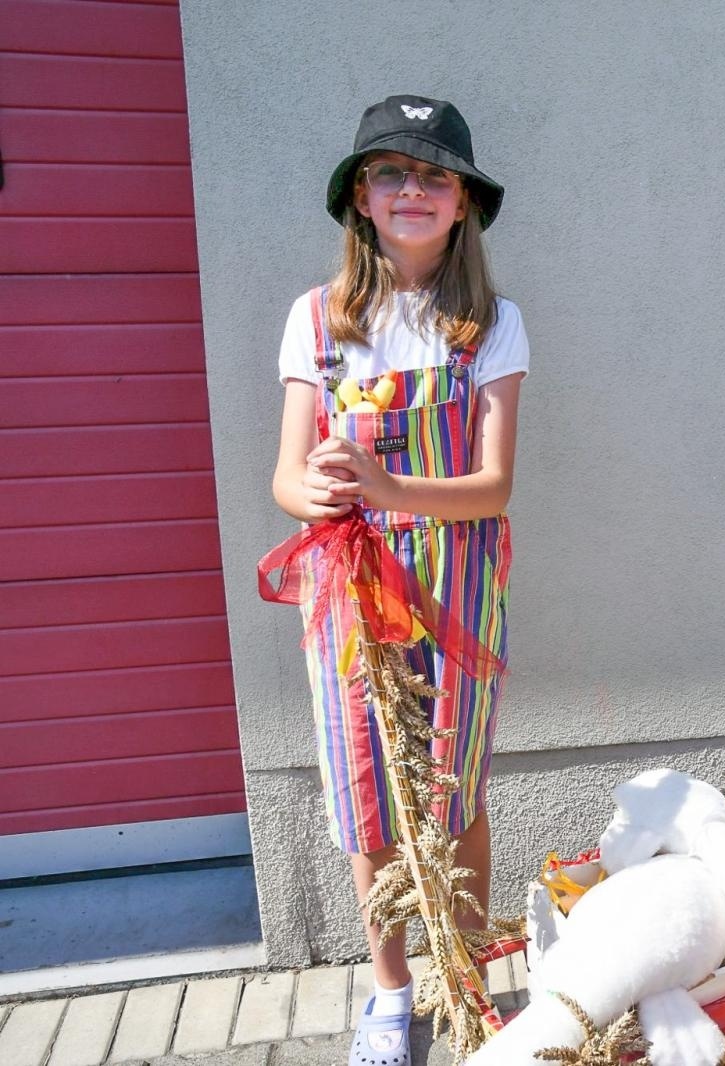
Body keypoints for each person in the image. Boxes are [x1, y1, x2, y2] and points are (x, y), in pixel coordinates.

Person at [271, 94, 526, 1066]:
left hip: (456, 585)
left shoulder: (491, 327)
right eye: (392, 173)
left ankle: (462, 972)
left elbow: (493, 487)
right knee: (365, 788)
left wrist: (385, 481)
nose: (412, 189)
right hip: (348, 585)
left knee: (453, 788)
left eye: (433, 174)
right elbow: (287, 477)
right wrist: (323, 493)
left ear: (462, 203)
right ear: (361, 200)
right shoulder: (319, 323)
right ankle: (389, 991)